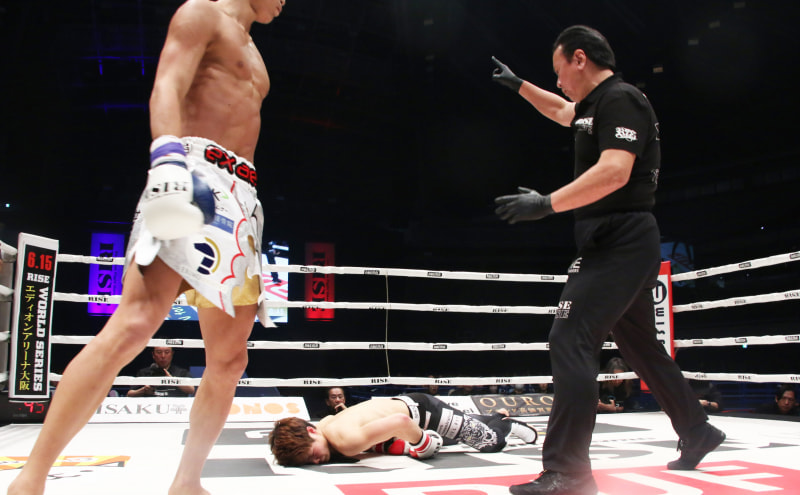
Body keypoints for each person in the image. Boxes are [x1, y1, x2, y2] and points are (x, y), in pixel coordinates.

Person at [7, 1, 286, 494]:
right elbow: (168, 85)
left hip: (242, 196)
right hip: (193, 172)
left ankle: (187, 482)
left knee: (230, 359)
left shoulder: (257, 53)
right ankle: (31, 479)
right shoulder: (201, 13)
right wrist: (167, 159)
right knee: (135, 324)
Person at [491, 25, 725, 495]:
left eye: (559, 71)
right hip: (614, 239)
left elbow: (616, 171)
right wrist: (519, 86)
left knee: (569, 337)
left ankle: (569, 471)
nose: (558, 82)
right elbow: (561, 111)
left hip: (621, 239)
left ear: (580, 59)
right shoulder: (594, 106)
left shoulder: (621, 99)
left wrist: (547, 203)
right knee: (639, 346)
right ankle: (697, 430)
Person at [268, 392, 538, 466]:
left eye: (311, 454)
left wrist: (423, 445)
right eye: (309, 461)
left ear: (311, 433)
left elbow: (400, 423)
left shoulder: (345, 442)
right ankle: (487, 417)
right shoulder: (325, 424)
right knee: (457, 436)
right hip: (412, 406)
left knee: (490, 442)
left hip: (423, 415)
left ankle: (504, 422)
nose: (316, 461)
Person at [127, 346, 195, 397]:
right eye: (159, 352)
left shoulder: (181, 372)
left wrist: (172, 380)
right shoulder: (143, 373)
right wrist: (143, 391)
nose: (163, 356)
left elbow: (191, 390)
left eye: (167, 352)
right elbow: (129, 394)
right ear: (153, 355)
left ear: (172, 354)